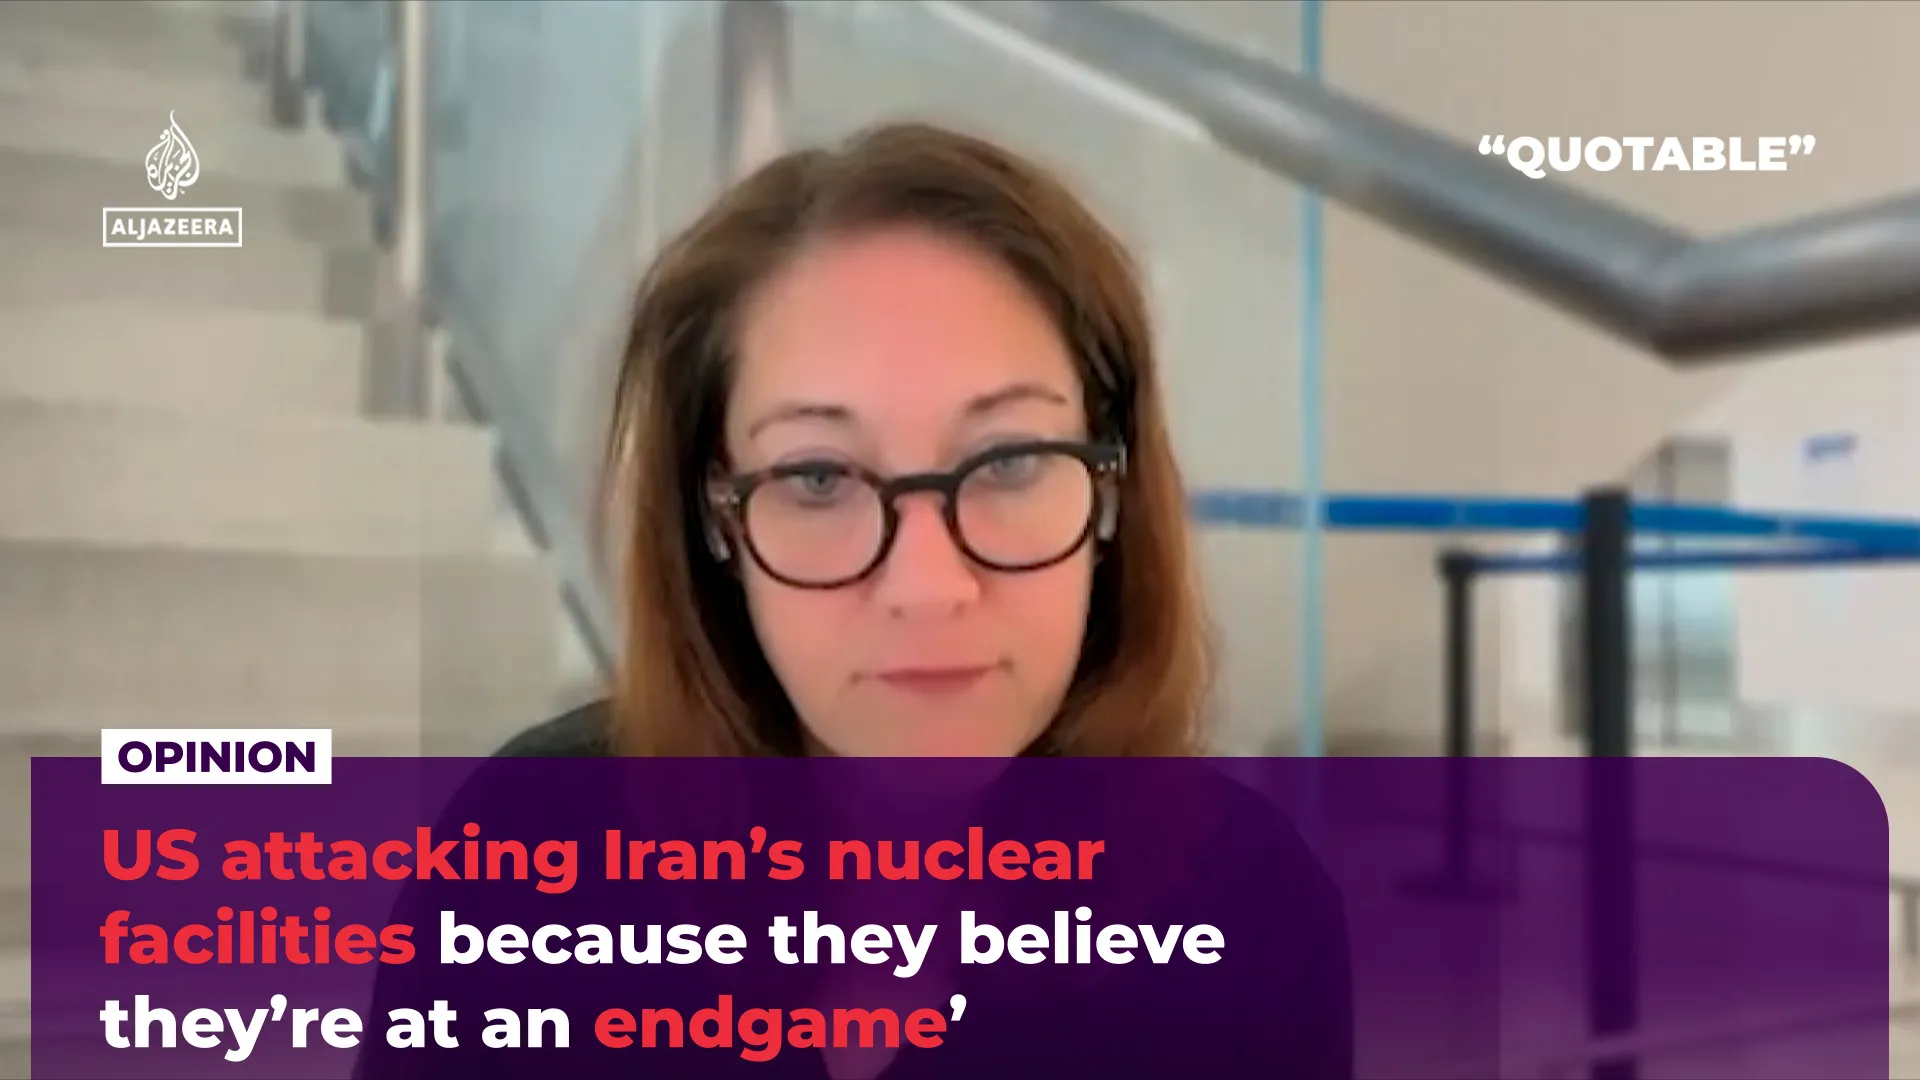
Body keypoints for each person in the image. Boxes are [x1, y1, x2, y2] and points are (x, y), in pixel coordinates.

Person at [358, 122, 1352, 1080]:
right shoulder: (532, 855)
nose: (928, 588)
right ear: (716, 521)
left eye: (1010, 462)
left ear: (1110, 492)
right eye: (819, 478)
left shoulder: (1248, 914)